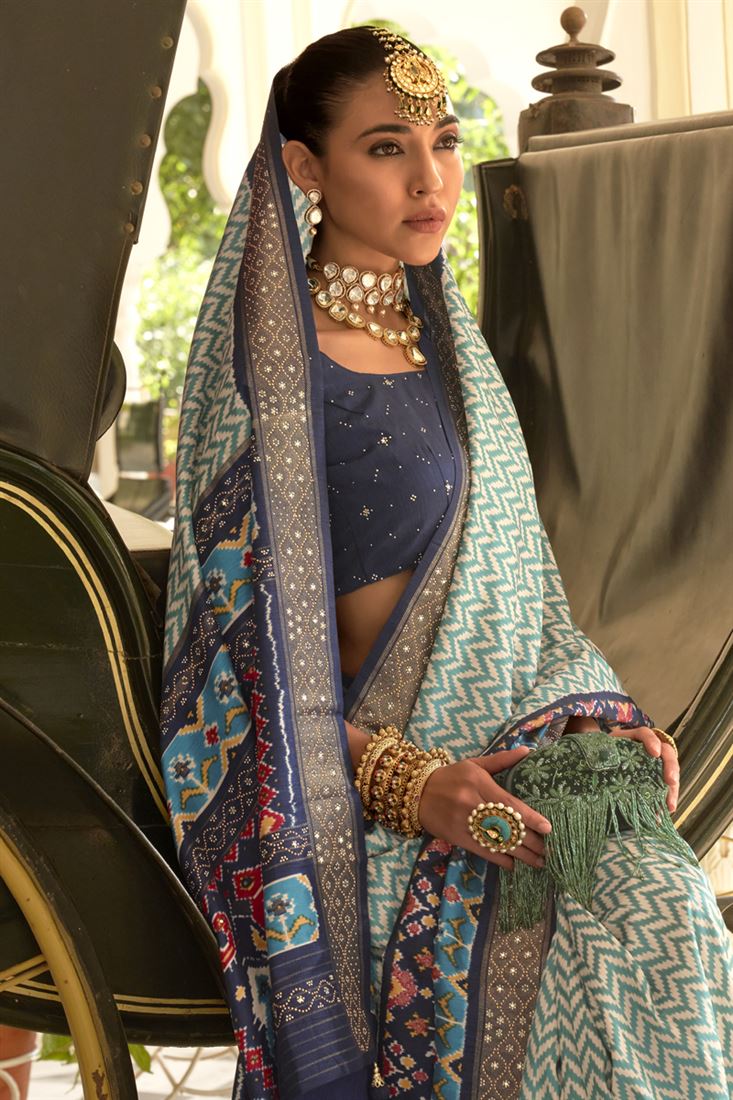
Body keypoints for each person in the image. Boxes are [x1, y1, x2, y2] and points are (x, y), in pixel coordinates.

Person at [160, 26, 733, 1100]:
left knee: (664, 919)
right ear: (304, 166)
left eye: (444, 141)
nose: (429, 179)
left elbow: (528, 596)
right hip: (370, 809)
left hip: (515, 754)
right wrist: (413, 785)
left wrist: (597, 716)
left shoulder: (447, 349)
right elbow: (235, 682)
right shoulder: (269, 383)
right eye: (387, 147)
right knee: (616, 932)